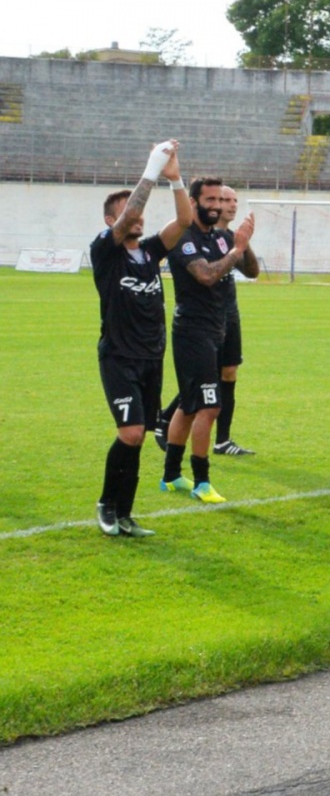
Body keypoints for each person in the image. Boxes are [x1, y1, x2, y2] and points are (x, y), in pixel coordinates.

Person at [89, 140, 193, 536]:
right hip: (118, 357)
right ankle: (106, 503)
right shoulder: (105, 251)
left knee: (139, 437)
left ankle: (125, 513)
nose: (137, 218)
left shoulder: (150, 252)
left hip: (152, 356)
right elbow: (131, 208)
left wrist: (175, 177)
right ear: (111, 221)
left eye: (138, 214)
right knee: (129, 433)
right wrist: (151, 169)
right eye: (127, 214)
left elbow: (184, 220)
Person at [159, 177, 258, 503]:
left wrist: (243, 242)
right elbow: (206, 275)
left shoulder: (220, 237)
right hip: (192, 331)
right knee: (209, 406)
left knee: (189, 406)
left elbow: (253, 271)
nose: (217, 205)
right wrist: (236, 249)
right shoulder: (183, 238)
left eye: (221, 200)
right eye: (210, 200)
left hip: (216, 330)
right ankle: (202, 481)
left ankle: (171, 476)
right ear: (194, 201)